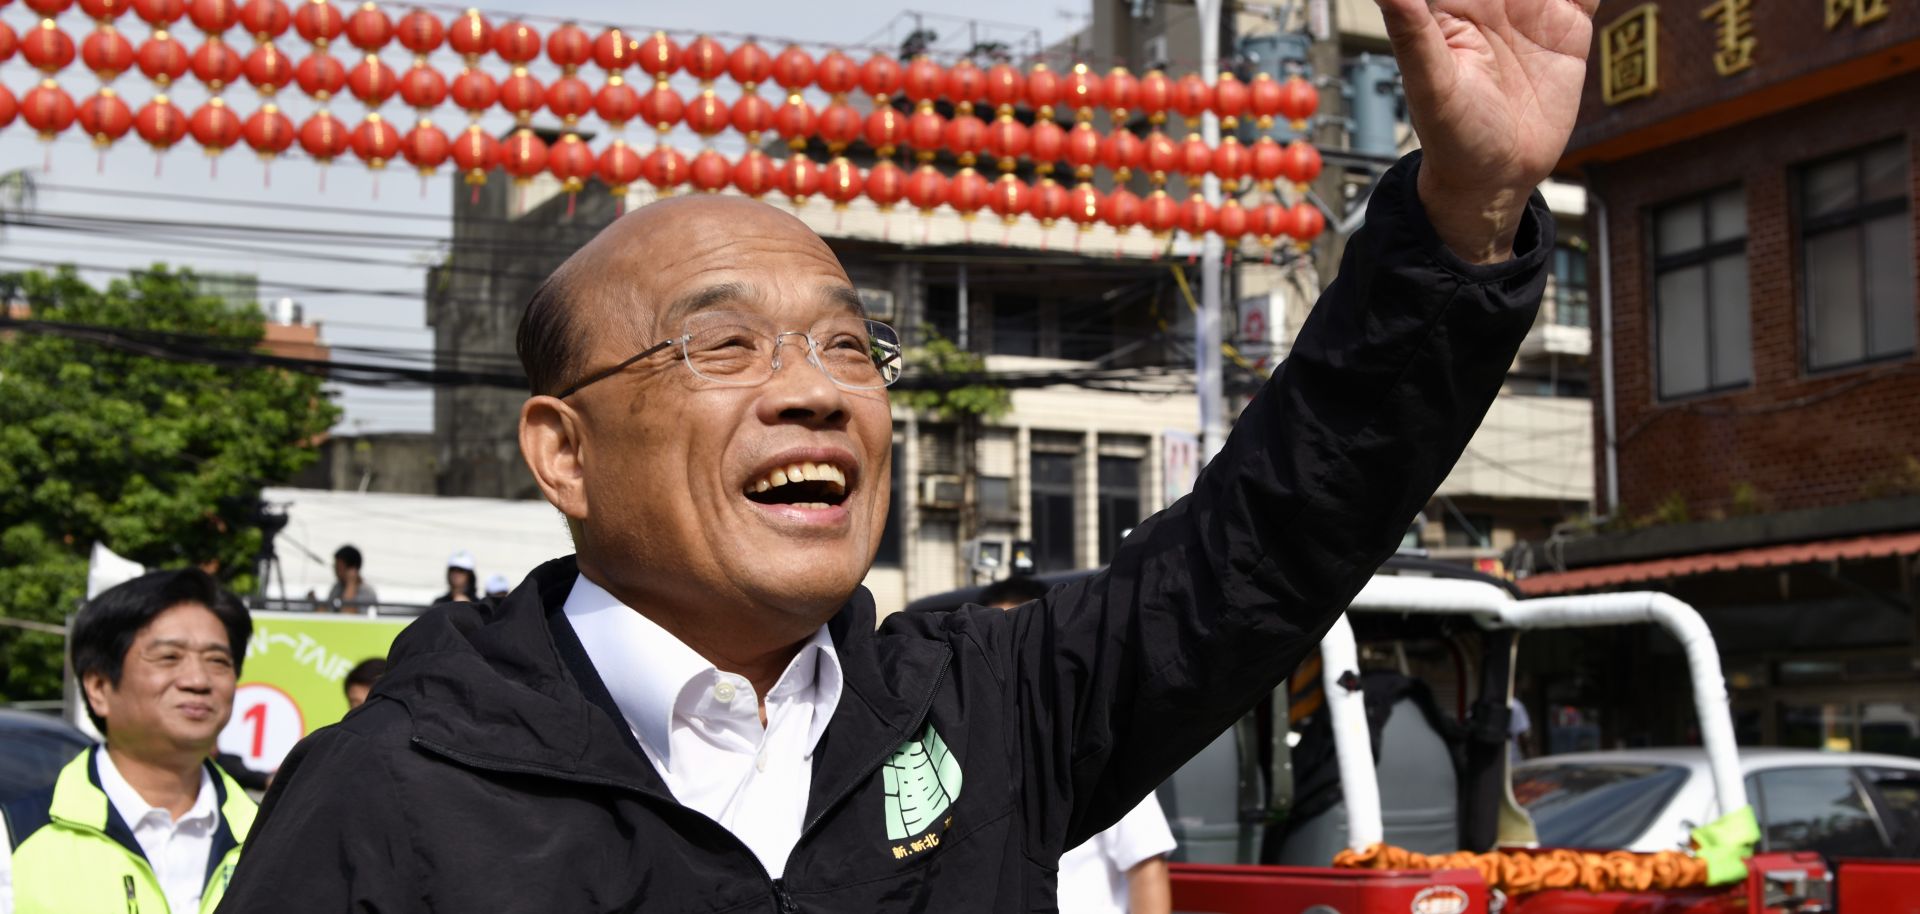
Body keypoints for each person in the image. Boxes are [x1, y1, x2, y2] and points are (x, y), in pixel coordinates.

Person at [221, 0, 1594, 906]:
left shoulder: (982, 709)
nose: (816, 393)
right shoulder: (391, 800)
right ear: (563, 452)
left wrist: (1467, 202)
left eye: (844, 347)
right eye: (728, 347)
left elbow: (1275, 534)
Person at [1, 569, 257, 914]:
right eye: (169, 657)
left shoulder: (270, 836)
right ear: (99, 688)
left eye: (218, 661)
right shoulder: (14, 837)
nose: (198, 680)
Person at [982, 576, 1175, 914]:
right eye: (992, 646)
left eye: (1019, 644)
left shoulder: (1099, 750)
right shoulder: (957, 758)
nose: (1006, 664)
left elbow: (1147, 872)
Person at [325, 545, 377, 614]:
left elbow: (347, 613)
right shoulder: (337, 587)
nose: (335, 570)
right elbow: (327, 611)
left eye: (339, 567)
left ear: (352, 569)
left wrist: (351, 584)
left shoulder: (366, 592)